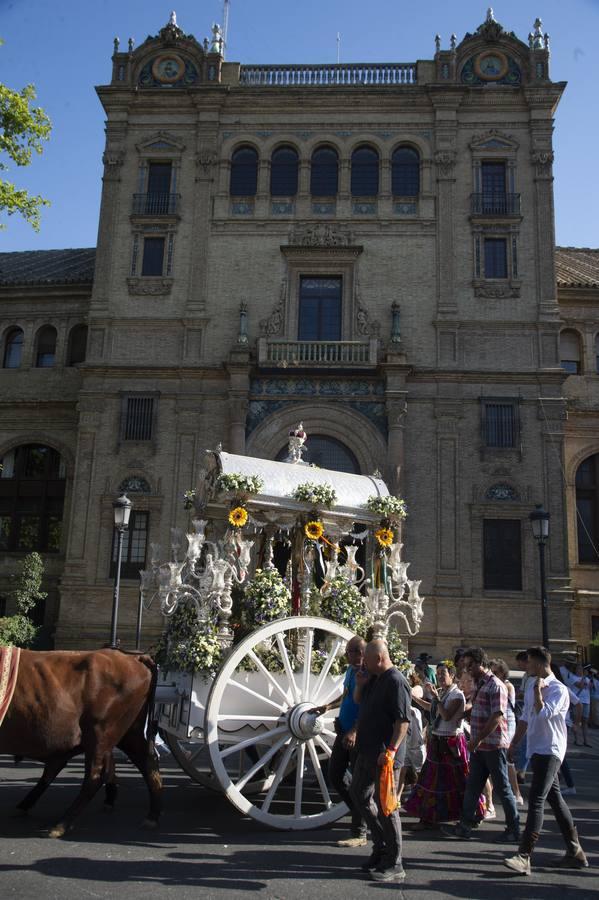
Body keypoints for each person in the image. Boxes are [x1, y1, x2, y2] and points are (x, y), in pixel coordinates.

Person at [504, 646, 588, 875]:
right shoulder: (532, 685)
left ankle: (524, 855)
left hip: (551, 750)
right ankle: (575, 851)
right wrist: (514, 744)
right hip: (536, 749)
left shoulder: (558, 690)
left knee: (537, 798)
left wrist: (540, 693)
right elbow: (525, 718)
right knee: (555, 800)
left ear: (541, 664)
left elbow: (543, 713)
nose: (526, 666)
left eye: (530, 662)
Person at [441, 647, 520, 843]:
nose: (467, 669)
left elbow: (496, 716)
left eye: (470, 665)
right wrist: (465, 715)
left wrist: (478, 739)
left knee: (503, 788)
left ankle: (513, 829)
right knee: (473, 786)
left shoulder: (496, 686)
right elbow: (479, 710)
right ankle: (465, 825)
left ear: (480, 664)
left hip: (493, 746)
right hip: (479, 747)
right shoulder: (481, 684)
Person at [350, 638, 412, 883]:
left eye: (367, 659)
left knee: (387, 807)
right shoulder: (373, 678)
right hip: (366, 752)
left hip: (384, 756)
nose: (362, 663)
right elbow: (358, 701)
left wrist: (391, 751)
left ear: (379, 658)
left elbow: (402, 722)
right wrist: (360, 684)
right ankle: (381, 846)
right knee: (359, 794)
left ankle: (395, 863)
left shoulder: (396, 681)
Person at [405, 663, 485, 826]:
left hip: (451, 743)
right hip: (437, 741)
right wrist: (413, 698)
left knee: (459, 779)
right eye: (439, 673)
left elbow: (447, 716)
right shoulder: (443, 693)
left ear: (452, 676)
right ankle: (429, 817)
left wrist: (436, 697)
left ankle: (474, 813)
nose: (440, 677)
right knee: (432, 780)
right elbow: (432, 708)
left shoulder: (456, 695)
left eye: (444, 673)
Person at [310, 636, 367, 847]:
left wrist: (354, 731)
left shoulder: (367, 675)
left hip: (356, 734)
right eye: (349, 651)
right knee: (335, 774)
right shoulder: (351, 671)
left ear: (362, 652)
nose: (348, 654)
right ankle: (361, 811)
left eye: (352, 651)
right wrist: (328, 706)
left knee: (359, 783)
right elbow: (346, 696)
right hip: (343, 729)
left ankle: (360, 831)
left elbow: (367, 706)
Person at [490, 659, 524, 806]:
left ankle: (517, 793)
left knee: (507, 758)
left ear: (503, 673)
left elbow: (505, 706)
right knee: (491, 757)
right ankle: (489, 793)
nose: (493, 675)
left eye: (495, 672)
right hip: (496, 721)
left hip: (508, 723)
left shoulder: (507, 686)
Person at [572, 663, 591, 746]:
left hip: (586, 701)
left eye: (581, 669)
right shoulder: (573, 677)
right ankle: (577, 740)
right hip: (577, 702)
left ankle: (586, 741)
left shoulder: (587, 678)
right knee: (577, 721)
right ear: (575, 670)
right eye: (578, 668)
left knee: (585, 721)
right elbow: (580, 686)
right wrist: (584, 678)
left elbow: (590, 687)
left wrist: (590, 678)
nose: (580, 670)